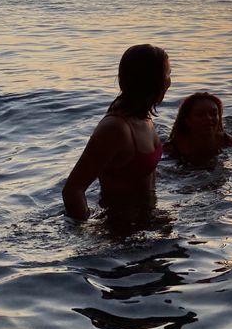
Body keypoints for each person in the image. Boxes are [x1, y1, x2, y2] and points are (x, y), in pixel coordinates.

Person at [62, 44, 171, 221]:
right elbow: (73, 190)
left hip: (147, 221)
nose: (169, 81)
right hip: (120, 231)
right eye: (168, 73)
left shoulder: (144, 118)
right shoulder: (115, 128)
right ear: (153, 80)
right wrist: (86, 231)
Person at [164, 91, 232, 165]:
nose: (209, 118)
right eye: (200, 115)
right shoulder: (174, 147)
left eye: (213, 114)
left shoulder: (225, 140)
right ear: (187, 120)